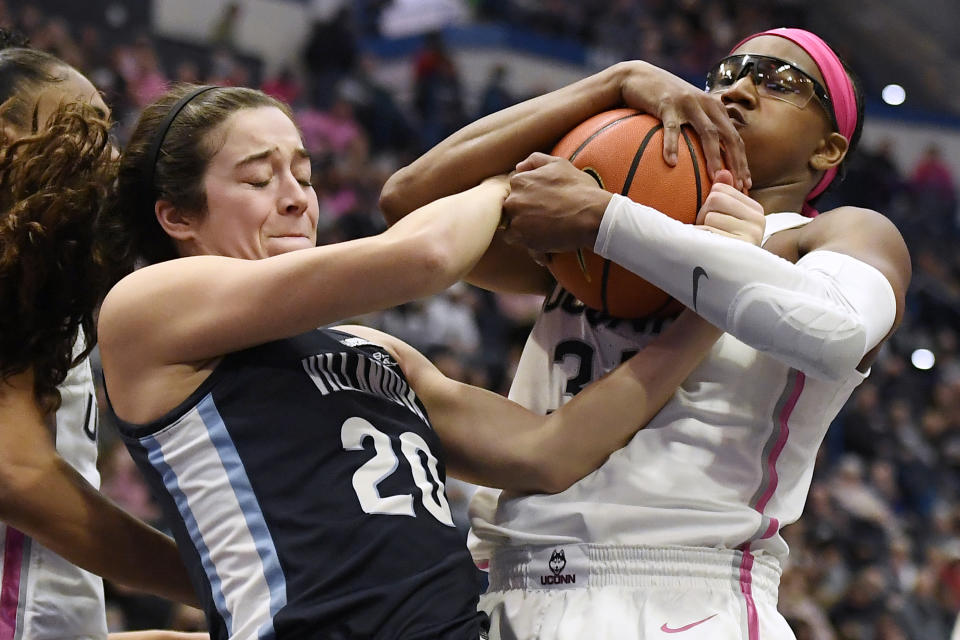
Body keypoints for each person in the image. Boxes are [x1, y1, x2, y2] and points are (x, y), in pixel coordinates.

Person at [95, 82, 762, 639]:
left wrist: (709, 302)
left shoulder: (374, 349)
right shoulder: (147, 308)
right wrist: (519, 180)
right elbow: (426, 258)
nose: (297, 197)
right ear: (177, 216)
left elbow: (549, 451)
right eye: (258, 178)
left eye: (301, 171)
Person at [379, 27, 911, 640]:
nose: (738, 89)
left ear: (828, 149)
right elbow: (411, 205)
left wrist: (604, 218)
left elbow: (836, 330)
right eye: (728, 72)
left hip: (682, 590)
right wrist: (611, 82)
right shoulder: (599, 232)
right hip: (508, 588)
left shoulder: (838, 233)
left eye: (779, 81)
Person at [0, 32, 206, 639]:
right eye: (84, 126)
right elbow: (20, 477)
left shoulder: (36, 271)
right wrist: (216, 580)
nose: (110, 156)